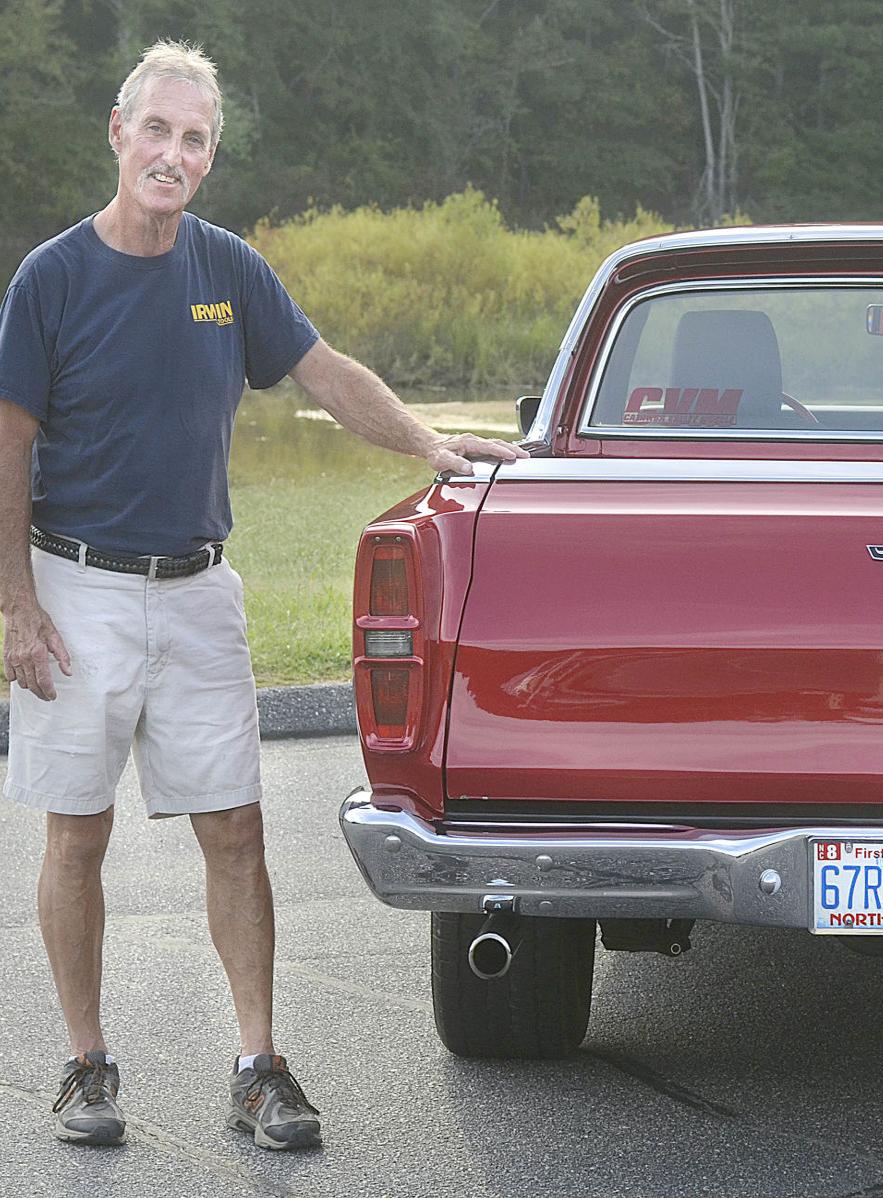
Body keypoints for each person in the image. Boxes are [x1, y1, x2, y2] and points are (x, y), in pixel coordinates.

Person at [0, 40, 527, 1150]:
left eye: (194, 140)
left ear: (208, 157)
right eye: (157, 130)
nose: (173, 154)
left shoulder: (226, 270)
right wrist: (15, 600)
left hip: (199, 590)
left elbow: (325, 373)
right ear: (117, 129)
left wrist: (433, 446)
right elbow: (8, 445)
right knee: (76, 838)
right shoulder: (49, 279)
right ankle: (86, 1066)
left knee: (237, 830)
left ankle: (257, 1067)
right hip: (76, 587)